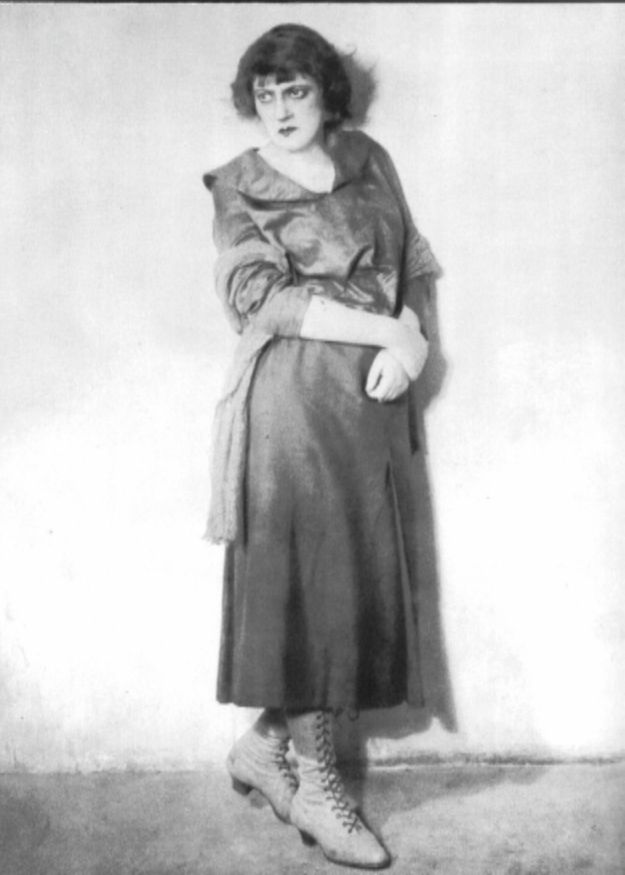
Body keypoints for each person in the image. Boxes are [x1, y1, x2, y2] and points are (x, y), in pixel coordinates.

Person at [202, 23, 442, 870]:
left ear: (324, 93)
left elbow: (409, 265)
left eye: (295, 90)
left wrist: (410, 344)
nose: (279, 109)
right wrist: (387, 332)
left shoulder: (369, 159)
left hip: (369, 402)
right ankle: (318, 788)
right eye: (265, 93)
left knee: (351, 589)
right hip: (292, 405)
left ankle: (263, 748)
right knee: (311, 591)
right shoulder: (239, 182)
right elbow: (262, 301)